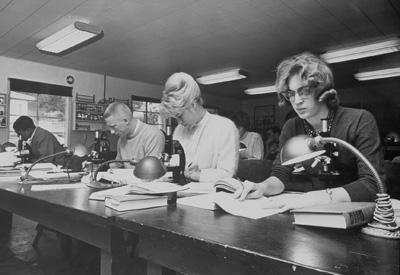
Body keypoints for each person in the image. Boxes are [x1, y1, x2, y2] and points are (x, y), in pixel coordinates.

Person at [235, 52, 385, 211]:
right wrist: (262, 187)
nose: (297, 101)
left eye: (304, 91)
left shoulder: (359, 120)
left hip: (349, 209)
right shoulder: (291, 126)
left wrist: (319, 197)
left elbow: (372, 184)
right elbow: (281, 174)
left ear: (322, 90)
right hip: (304, 208)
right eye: (291, 94)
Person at [160, 72, 239, 182]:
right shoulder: (179, 130)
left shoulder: (224, 127)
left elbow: (227, 174)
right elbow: (175, 164)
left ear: (192, 105)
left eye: (180, 116)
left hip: (213, 194)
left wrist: (196, 175)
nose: (179, 122)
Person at [103, 102, 165, 167]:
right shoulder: (122, 139)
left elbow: (151, 170)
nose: (112, 132)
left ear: (126, 121)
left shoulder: (153, 135)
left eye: (113, 127)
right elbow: (118, 164)